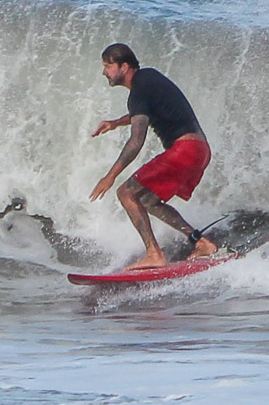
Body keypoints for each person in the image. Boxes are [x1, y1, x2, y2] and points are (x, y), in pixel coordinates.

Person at [88, 43, 217, 270]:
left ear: (124, 66)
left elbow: (136, 141)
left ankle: (154, 254)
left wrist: (110, 177)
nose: (104, 72)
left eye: (108, 66)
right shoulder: (148, 79)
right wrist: (116, 123)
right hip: (200, 150)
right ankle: (201, 242)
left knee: (126, 193)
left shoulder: (138, 90)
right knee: (147, 200)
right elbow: (145, 111)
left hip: (184, 150)